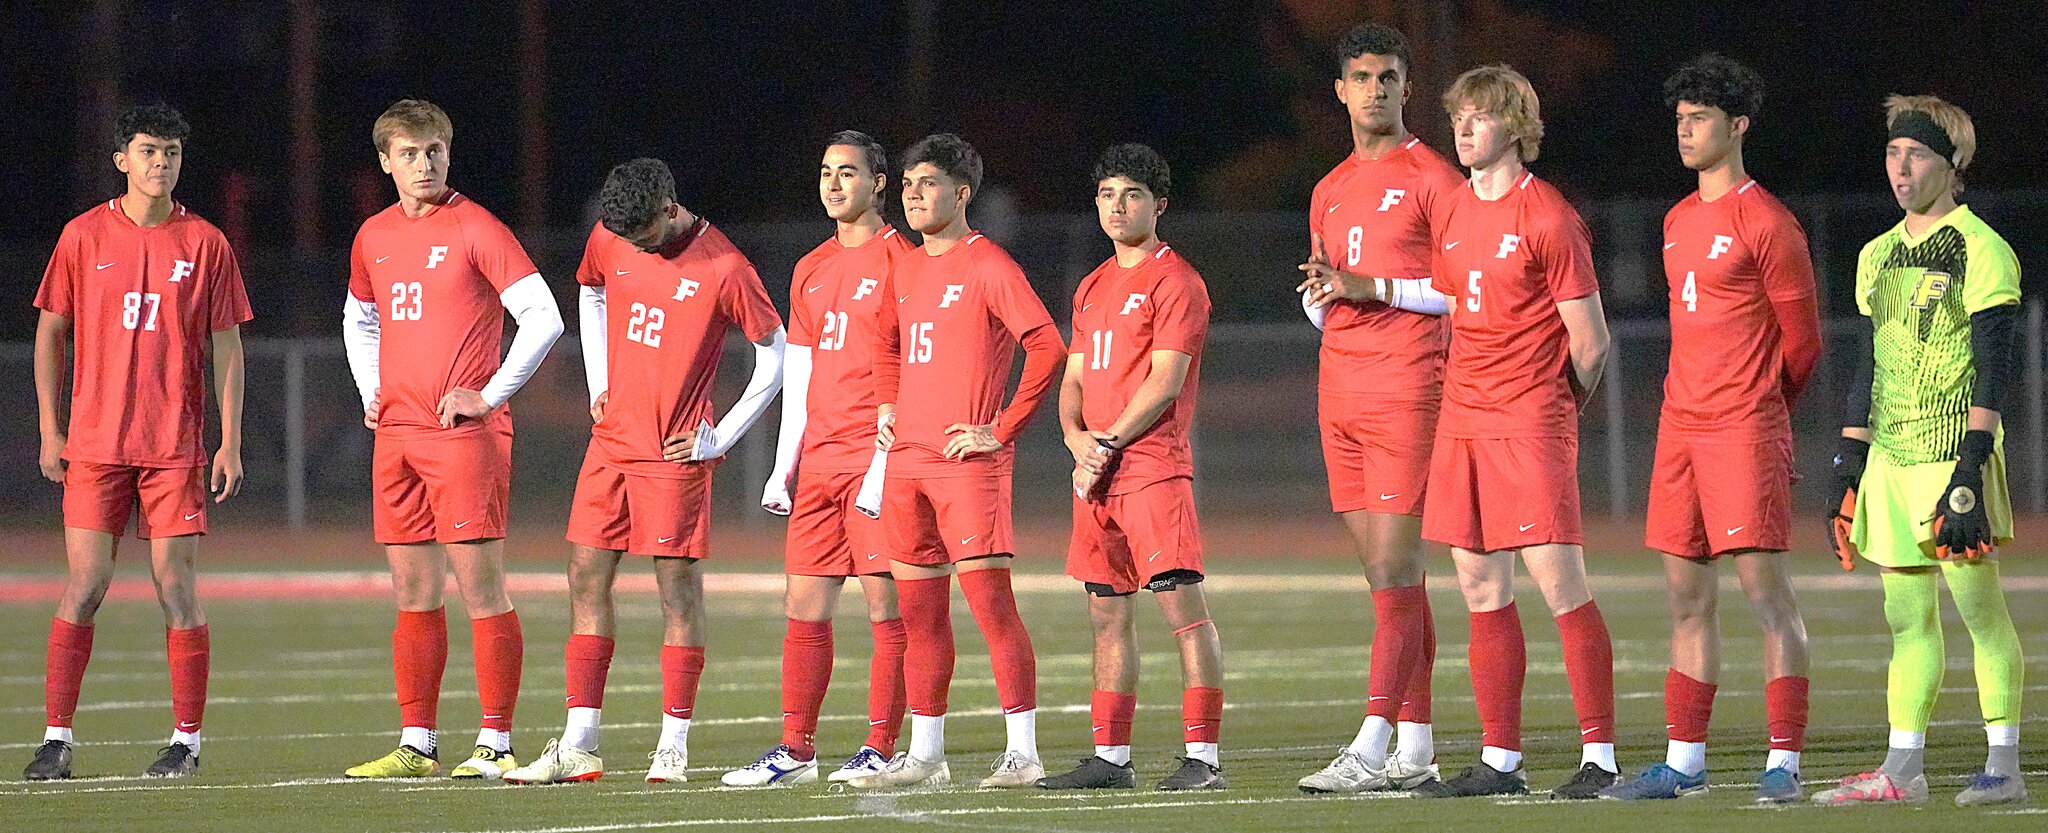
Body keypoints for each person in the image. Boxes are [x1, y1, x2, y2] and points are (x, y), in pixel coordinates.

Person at [503, 158, 786, 785]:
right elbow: (590, 289)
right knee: (584, 574)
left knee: (676, 592)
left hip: (674, 451)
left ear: (669, 208)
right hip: (612, 441)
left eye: (642, 235)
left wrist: (722, 438)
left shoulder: (725, 266)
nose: (630, 245)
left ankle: (672, 746)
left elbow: (775, 354)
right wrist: (599, 381)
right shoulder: (612, 233)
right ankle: (580, 745)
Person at [1600, 54, 1820, 804]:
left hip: (1743, 430)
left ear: (1739, 125)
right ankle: (1684, 760)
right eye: (1681, 119)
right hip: (1680, 428)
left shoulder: (1769, 222)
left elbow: (1805, 345)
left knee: (1768, 596)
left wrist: (1762, 412)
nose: (1686, 131)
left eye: (1700, 119)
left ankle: (1784, 761)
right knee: (1686, 599)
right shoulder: (1676, 220)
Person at [1408, 65, 1619, 801]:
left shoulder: (1551, 217)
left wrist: (1553, 414)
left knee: (1560, 585)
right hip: (1462, 419)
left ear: (1518, 128)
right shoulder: (1456, 212)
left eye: (1481, 117)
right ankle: (1501, 758)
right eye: (1458, 116)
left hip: (1530, 421)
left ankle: (1600, 756)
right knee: (1479, 585)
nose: (1464, 129)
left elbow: (1590, 344)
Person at [25, 103, 252, 781]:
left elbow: (228, 347)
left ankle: (186, 740)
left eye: (173, 153)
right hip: (95, 444)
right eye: (150, 151)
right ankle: (56, 738)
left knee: (175, 586)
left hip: (173, 446)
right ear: (122, 159)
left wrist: (230, 440)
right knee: (86, 584)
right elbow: (49, 333)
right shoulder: (82, 236)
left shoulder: (205, 242)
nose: (162, 163)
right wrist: (49, 426)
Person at [1813, 94, 2027, 808]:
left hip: (1949, 456)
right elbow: (1869, 366)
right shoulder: (1876, 253)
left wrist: (1971, 465)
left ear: (1952, 164)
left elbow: (1996, 364)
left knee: (1979, 610)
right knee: (1907, 621)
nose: (1900, 170)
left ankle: (2004, 765)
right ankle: (1903, 768)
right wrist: (1849, 465)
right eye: (1892, 155)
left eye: (1917, 156)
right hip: (1893, 461)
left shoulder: (1982, 246)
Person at [341, 99, 563, 780]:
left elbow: (544, 318)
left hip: (463, 435)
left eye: (435, 149)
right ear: (385, 161)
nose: (424, 162)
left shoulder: (475, 225)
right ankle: (419, 741)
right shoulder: (372, 234)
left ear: (449, 151)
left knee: (481, 589)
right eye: (409, 152)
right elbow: (359, 317)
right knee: (413, 591)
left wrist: (489, 395)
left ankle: (495, 743)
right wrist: (368, 389)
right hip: (398, 433)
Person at [847, 133, 1067, 790]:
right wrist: (888, 403)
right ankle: (927, 755)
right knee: (919, 616)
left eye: (928, 183)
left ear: (963, 193)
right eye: (907, 184)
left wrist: (1001, 429)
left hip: (966, 466)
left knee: (990, 604)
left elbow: (1047, 346)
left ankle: (1023, 753)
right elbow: (884, 343)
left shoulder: (988, 262)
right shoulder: (906, 267)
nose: (912, 194)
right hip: (906, 463)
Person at [1293, 22, 1463, 794]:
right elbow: (1330, 296)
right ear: (1341, 88)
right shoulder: (1328, 188)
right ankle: (1418, 751)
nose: (1375, 89)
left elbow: (1464, 289)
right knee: (1391, 583)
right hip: (1341, 390)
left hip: (1408, 388)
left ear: (1406, 86)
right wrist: (1322, 298)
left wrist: (1378, 288)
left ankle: (1370, 744)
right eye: (1361, 77)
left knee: (1398, 568)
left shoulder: (1435, 177)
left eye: (1388, 76)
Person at [723, 131, 917, 787]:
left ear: (880, 182)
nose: (834, 184)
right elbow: (800, 374)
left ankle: (881, 747)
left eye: (849, 172)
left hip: (877, 459)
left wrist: (888, 464)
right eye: (826, 172)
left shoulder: (904, 262)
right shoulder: (809, 266)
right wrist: (784, 465)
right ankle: (796, 750)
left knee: (887, 609)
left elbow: (919, 371)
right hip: (821, 463)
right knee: (804, 604)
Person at [1035, 143, 1225, 792]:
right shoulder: (1091, 286)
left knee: (1184, 611)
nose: (1118, 207)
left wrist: (1105, 442)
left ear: (1160, 205)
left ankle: (1204, 758)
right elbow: (1074, 378)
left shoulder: (1179, 282)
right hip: (1099, 472)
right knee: (1107, 615)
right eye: (1108, 195)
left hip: (1151, 468)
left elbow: (1166, 381)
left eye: (1133, 195)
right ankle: (1111, 759)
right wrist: (1073, 439)